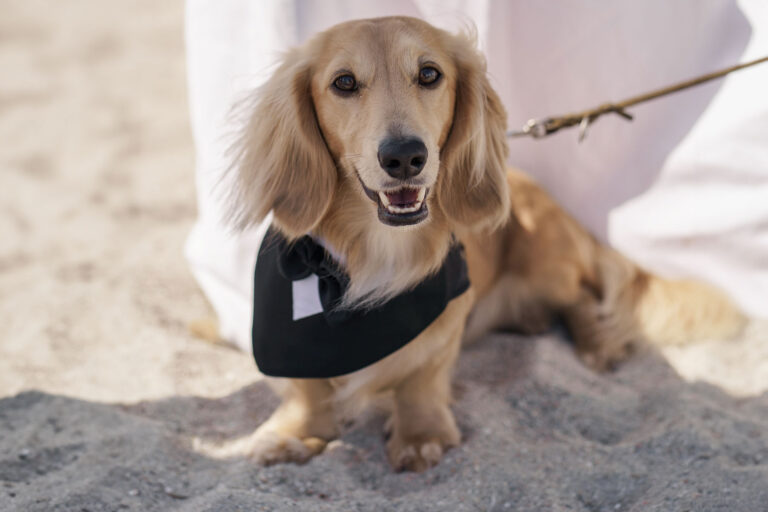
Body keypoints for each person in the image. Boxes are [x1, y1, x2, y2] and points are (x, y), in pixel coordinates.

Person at [185, 0, 768, 352]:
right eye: (346, 86)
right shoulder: (288, 268)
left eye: (429, 77)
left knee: (550, 275)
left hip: (516, 261)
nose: (402, 148)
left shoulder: (496, 192)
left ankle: (585, 304)